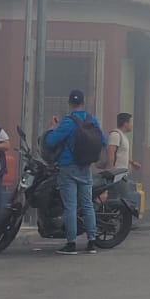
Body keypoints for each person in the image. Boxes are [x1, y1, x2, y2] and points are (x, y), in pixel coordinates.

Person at [44, 90, 103, 255]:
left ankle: (71, 244)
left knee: (70, 206)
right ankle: (92, 242)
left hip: (68, 167)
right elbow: (103, 141)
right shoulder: (93, 120)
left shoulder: (68, 122)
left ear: (69, 103)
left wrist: (52, 128)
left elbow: (50, 141)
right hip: (86, 167)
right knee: (87, 204)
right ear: (83, 103)